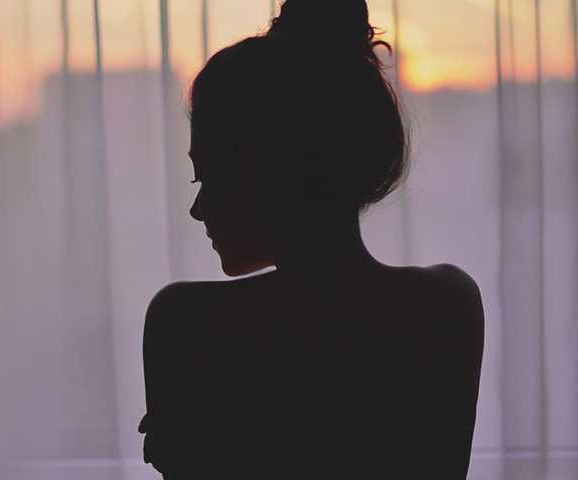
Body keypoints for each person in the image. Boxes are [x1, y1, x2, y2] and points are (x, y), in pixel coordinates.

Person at [138, 1, 484, 478]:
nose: (198, 209)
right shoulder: (446, 305)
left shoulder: (184, 323)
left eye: (210, 178)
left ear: (269, 172)